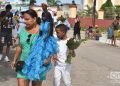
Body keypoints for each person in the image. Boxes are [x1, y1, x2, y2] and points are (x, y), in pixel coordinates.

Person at [22, 9, 58, 82]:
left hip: (47, 40)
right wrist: (39, 38)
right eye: (42, 16)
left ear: (48, 16)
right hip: (40, 39)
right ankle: (34, 72)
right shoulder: (42, 22)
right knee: (35, 55)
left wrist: (44, 40)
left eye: (44, 16)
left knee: (44, 54)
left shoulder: (49, 23)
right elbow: (40, 32)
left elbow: (49, 33)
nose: (43, 17)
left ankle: (38, 72)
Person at [12, 9, 42, 86]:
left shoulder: (42, 31)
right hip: (23, 63)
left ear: (34, 19)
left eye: (27, 19)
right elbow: (19, 46)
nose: (24, 21)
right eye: (24, 19)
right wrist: (14, 60)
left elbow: (48, 47)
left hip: (37, 65)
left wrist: (48, 59)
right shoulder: (22, 30)